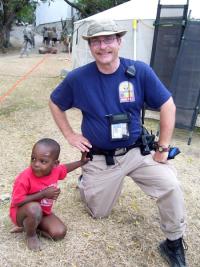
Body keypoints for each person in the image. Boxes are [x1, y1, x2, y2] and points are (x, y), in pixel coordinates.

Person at [49, 19, 187, 266]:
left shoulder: (139, 71)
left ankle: (173, 242)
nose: (103, 46)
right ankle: (86, 181)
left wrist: (163, 148)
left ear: (119, 41)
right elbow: (55, 102)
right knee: (99, 213)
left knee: (170, 185)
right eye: (96, 41)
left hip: (136, 152)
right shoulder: (78, 78)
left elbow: (168, 105)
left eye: (108, 39)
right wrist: (70, 135)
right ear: (90, 46)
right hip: (101, 157)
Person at [9, 138, 89, 251]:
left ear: (55, 164)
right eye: (33, 158)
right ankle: (30, 235)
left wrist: (81, 162)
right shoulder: (24, 177)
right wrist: (43, 194)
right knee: (34, 208)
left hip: (43, 213)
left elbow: (65, 168)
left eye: (43, 161)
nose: (36, 164)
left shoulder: (55, 171)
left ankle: (32, 227)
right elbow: (17, 201)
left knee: (59, 233)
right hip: (22, 212)